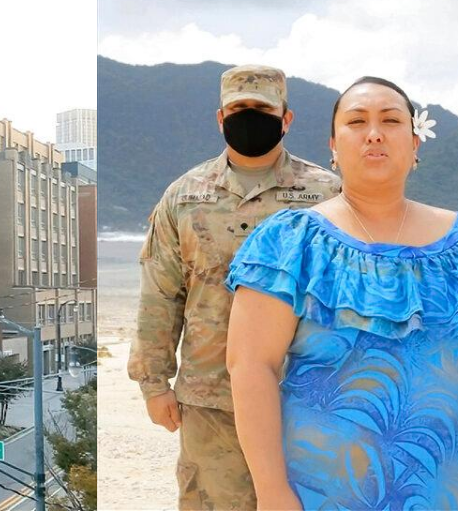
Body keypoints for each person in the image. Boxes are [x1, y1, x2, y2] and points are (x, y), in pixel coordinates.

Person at [226, 78, 458, 510]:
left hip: (446, 492)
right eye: (356, 121)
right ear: (333, 145)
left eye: (390, 120)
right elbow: (251, 366)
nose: (374, 133)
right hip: (317, 495)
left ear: (414, 143)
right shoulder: (290, 243)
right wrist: (272, 492)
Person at [129, 65, 342, 509]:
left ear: (286, 118)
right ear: (220, 117)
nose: (249, 116)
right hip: (211, 399)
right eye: (239, 108)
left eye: (262, 108)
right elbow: (161, 294)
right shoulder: (183, 196)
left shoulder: (327, 194)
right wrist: (153, 383)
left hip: (305, 396)